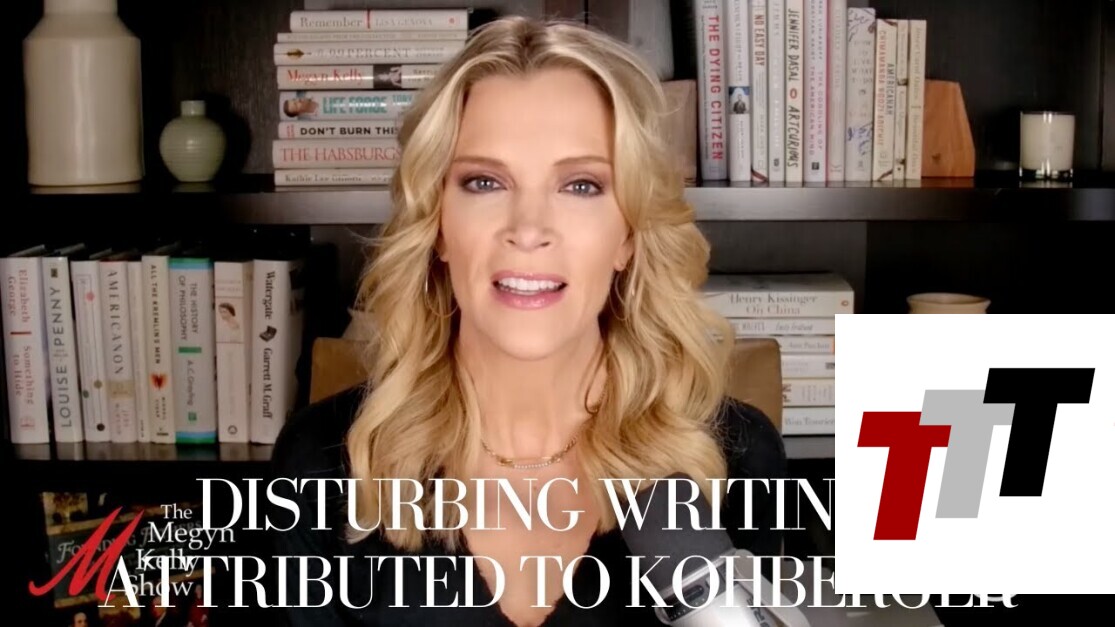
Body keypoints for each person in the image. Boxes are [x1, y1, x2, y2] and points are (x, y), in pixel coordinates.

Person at [270, 15, 787, 627]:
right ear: (438, 224)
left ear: (628, 235)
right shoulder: (321, 463)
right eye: (485, 182)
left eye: (582, 186)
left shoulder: (735, 461)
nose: (529, 229)